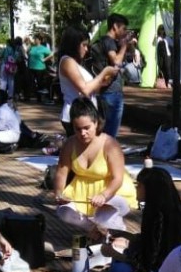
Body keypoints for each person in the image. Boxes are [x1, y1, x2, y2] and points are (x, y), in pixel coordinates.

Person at [102, 166, 181, 272]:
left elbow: (151, 260)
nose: (136, 189)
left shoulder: (156, 216)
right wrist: (130, 238)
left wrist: (116, 254)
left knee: (117, 269)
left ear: (150, 190)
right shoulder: (180, 211)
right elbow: (153, 244)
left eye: (139, 186)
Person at [54, 98, 138, 239]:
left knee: (103, 216)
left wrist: (104, 195)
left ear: (96, 123)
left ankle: (117, 232)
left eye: (87, 128)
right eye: (78, 129)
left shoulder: (110, 144)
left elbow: (118, 178)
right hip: (82, 190)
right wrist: (58, 193)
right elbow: (61, 173)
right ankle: (94, 229)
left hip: (113, 190)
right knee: (64, 212)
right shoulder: (69, 144)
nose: (82, 133)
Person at [56, 26, 119, 136]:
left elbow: (91, 89)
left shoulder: (74, 62)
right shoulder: (67, 61)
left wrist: (104, 80)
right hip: (75, 115)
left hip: (86, 114)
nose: (86, 49)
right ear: (73, 45)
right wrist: (103, 73)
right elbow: (85, 89)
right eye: (84, 45)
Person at [97, 14, 130, 138]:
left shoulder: (107, 41)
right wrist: (124, 45)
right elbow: (116, 61)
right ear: (115, 26)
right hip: (111, 93)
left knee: (106, 131)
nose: (125, 32)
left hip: (108, 91)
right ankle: (106, 155)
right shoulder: (108, 41)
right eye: (124, 28)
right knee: (110, 133)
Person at [26, 34, 53, 102]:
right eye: (34, 39)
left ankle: (39, 98)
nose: (35, 40)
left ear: (40, 40)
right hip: (31, 67)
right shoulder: (32, 47)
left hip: (40, 68)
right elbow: (27, 53)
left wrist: (45, 59)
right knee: (30, 82)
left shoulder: (43, 48)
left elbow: (51, 54)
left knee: (39, 83)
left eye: (36, 39)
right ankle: (29, 96)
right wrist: (29, 47)